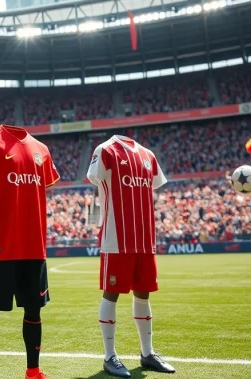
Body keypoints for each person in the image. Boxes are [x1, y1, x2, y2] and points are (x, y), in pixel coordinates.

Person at [0, 125, 60, 379]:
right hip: (1, 247)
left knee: (34, 310)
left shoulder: (42, 150)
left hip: (35, 247)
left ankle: (33, 371)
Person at [86, 135, 176, 377]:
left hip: (145, 238)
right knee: (111, 294)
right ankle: (109, 356)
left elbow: (155, 185)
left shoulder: (148, 155)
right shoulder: (106, 150)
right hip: (116, 238)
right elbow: (94, 179)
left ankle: (147, 354)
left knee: (144, 294)